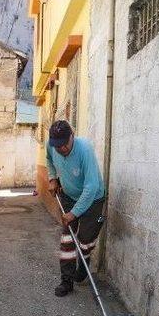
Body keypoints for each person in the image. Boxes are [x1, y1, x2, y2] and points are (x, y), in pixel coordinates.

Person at [46, 120, 106, 297]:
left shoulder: (84, 149)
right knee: (67, 240)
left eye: (65, 144)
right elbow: (49, 159)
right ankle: (67, 281)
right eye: (57, 145)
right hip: (69, 197)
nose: (61, 149)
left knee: (85, 241)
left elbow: (91, 187)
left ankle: (85, 261)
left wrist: (74, 213)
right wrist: (52, 178)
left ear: (72, 135)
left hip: (93, 200)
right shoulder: (52, 146)